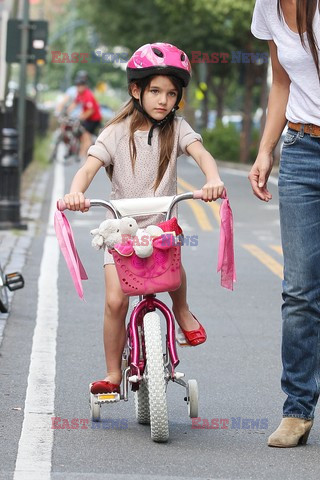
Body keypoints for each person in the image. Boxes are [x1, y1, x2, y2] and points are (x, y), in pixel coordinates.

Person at [63, 42, 225, 395]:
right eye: (154, 91)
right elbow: (87, 169)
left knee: (173, 260)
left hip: (161, 226)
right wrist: (76, 193)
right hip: (120, 232)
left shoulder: (178, 129)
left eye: (170, 93)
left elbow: (203, 155)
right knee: (115, 300)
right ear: (136, 90)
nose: (163, 100)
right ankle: (111, 373)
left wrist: (212, 179)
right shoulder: (115, 133)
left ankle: (181, 311)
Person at [249, 0, 320, 447]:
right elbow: (281, 81)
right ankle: (297, 410)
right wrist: (265, 150)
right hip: (300, 151)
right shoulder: (269, 7)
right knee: (299, 291)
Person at [68, 70, 102, 160]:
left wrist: (81, 116)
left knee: (86, 137)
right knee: (83, 136)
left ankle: (83, 156)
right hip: (88, 119)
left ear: (84, 86)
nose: (78, 88)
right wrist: (67, 112)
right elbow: (74, 103)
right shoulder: (80, 94)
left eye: (80, 86)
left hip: (94, 119)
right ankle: (83, 154)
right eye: (77, 86)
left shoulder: (88, 95)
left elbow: (91, 110)